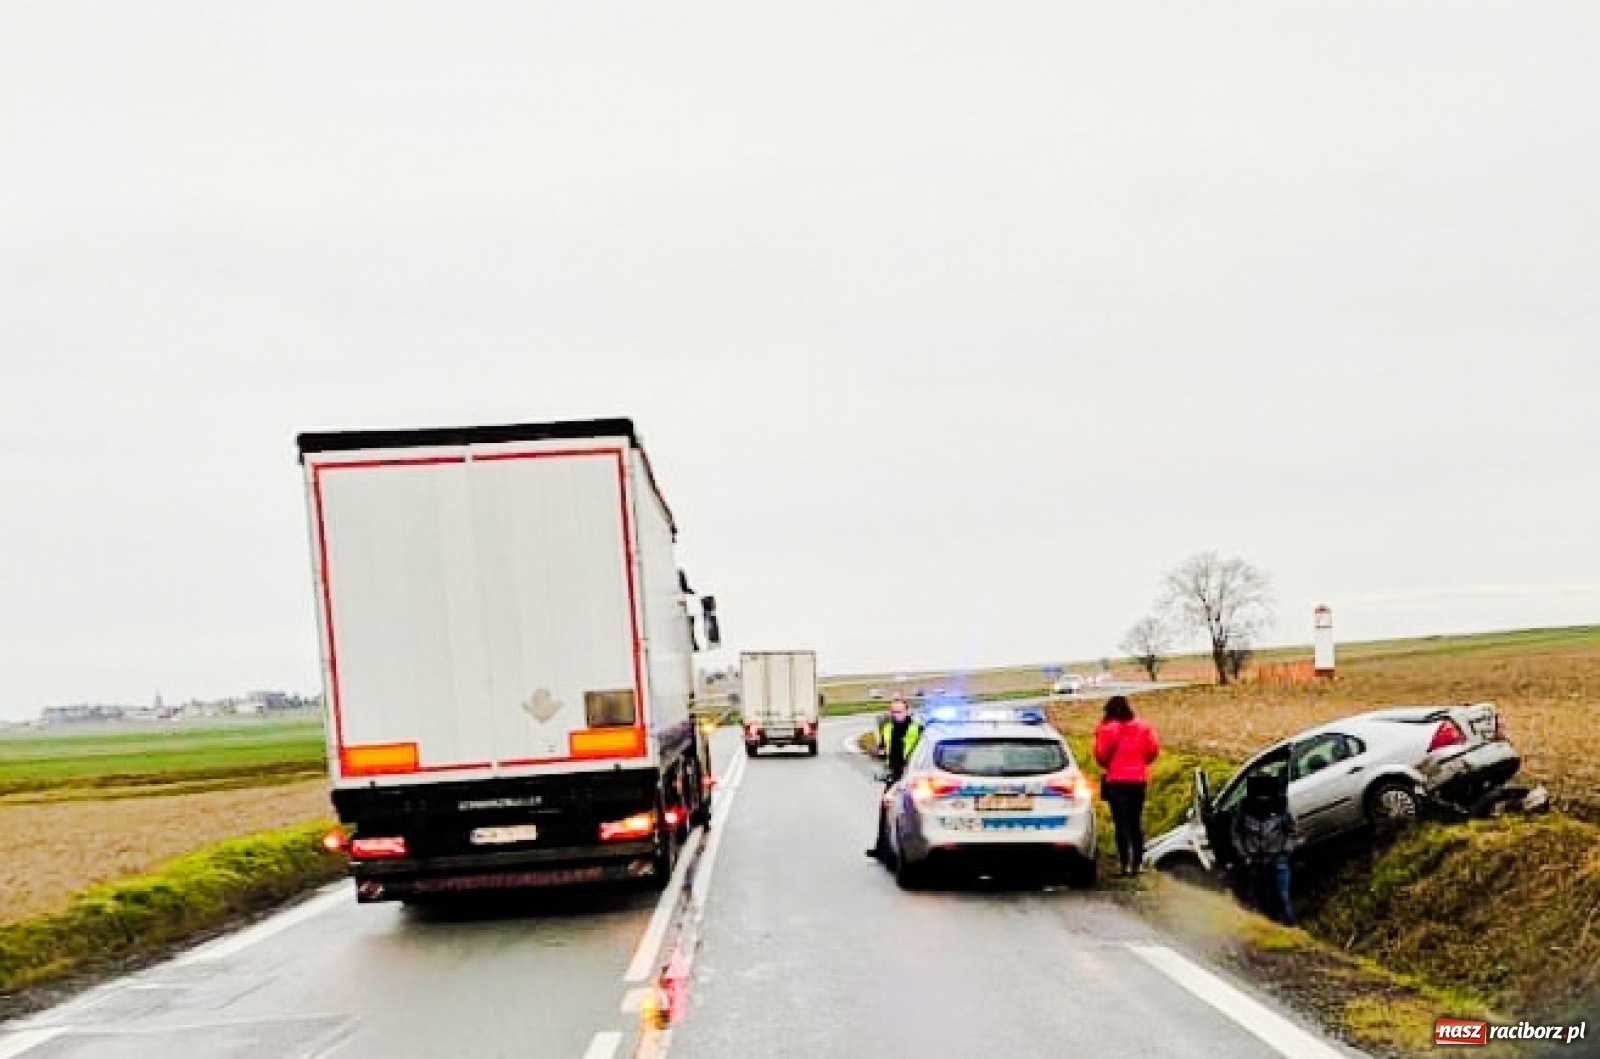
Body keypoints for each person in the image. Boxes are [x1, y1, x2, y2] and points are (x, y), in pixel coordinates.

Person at [1093, 695, 1161, 877]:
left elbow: (1100, 756)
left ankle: (1124, 865)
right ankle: (1138, 864)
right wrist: (1140, 763)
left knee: (1120, 823)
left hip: (1116, 782)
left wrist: (1111, 764)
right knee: (1135, 822)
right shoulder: (1144, 727)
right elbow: (1153, 750)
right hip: (1137, 780)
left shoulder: (1106, 729)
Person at [1231, 773, 1299, 925]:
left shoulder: (1282, 806)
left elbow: (1292, 831)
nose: (1263, 796)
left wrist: (1285, 850)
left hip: (1278, 860)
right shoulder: (1244, 808)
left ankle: (1292, 930)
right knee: (1260, 901)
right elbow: (1236, 833)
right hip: (1254, 862)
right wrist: (1244, 854)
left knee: (1283, 898)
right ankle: (1269, 929)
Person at [866, 698, 924, 860]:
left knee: (907, 814)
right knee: (885, 810)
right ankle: (881, 849)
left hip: (908, 775)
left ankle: (907, 850)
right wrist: (877, 752)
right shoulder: (888, 728)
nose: (896, 715)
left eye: (899, 711)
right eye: (893, 712)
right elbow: (884, 749)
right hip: (894, 774)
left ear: (907, 711)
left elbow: (919, 753)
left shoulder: (917, 729)